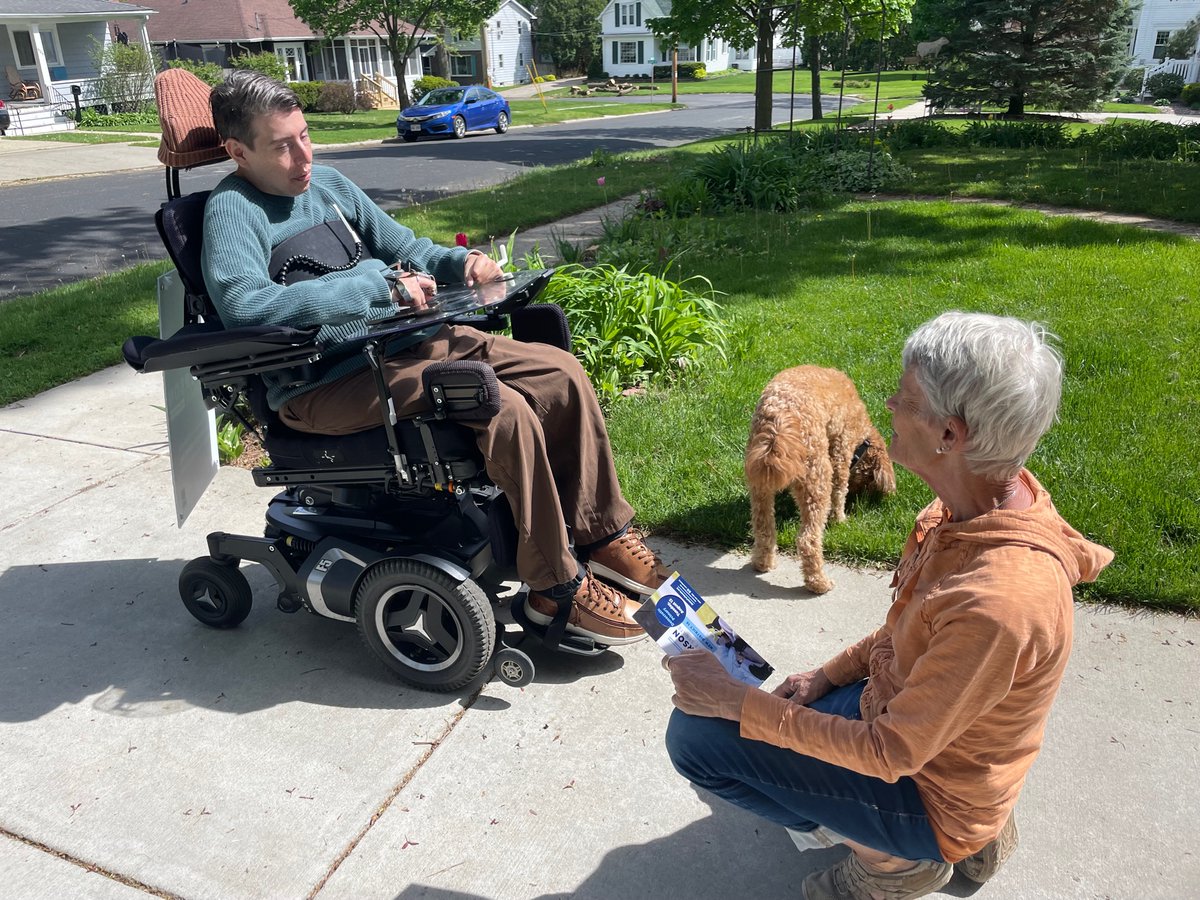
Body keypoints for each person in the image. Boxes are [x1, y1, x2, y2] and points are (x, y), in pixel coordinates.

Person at [200, 71, 669, 646]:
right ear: (237, 151)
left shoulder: (328, 187)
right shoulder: (233, 210)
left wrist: (460, 265)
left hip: (404, 345)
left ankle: (601, 536)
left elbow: (406, 248)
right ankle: (554, 590)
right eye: (282, 145)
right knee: (502, 407)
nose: (303, 155)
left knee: (559, 372)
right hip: (327, 383)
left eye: (305, 135)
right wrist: (379, 289)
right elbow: (246, 305)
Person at [663, 312, 1114, 899]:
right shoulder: (975, 505)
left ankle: (898, 864)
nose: (889, 405)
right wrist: (825, 676)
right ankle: (965, 835)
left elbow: (889, 751)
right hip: (916, 723)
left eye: (903, 396)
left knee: (694, 740)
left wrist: (739, 704)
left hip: (929, 786)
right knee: (753, 717)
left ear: (950, 435)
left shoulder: (1000, 600)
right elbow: (905, 632)